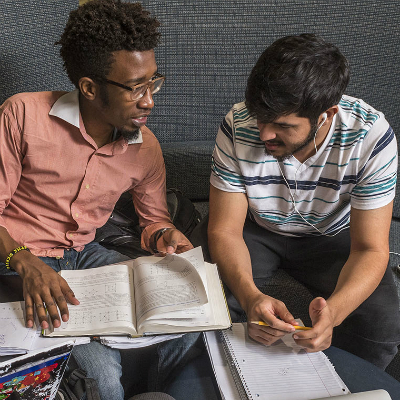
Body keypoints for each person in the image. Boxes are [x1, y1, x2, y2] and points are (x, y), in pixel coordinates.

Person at [0, 1, 198, 398]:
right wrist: (23, 261)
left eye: (153, 82)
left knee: (187, 320)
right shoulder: (22, 114)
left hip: (86, 256)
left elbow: (154, 220)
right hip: (16, 258)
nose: (149, 101)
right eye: (135, 88)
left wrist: (166, 237)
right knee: (101, 376)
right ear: (90, 88)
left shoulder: (146, 147)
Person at [195, 33, 400, 370]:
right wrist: (250, 297)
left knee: (380, 328)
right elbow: (225, 230)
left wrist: (332, 315)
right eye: (260, 118)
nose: (263, 135)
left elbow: (371, 249)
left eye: (281, 125)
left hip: (334, 235)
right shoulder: (239, 123)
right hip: (253, 228)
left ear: (326, 114)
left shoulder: (370, 137)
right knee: (205, 304)